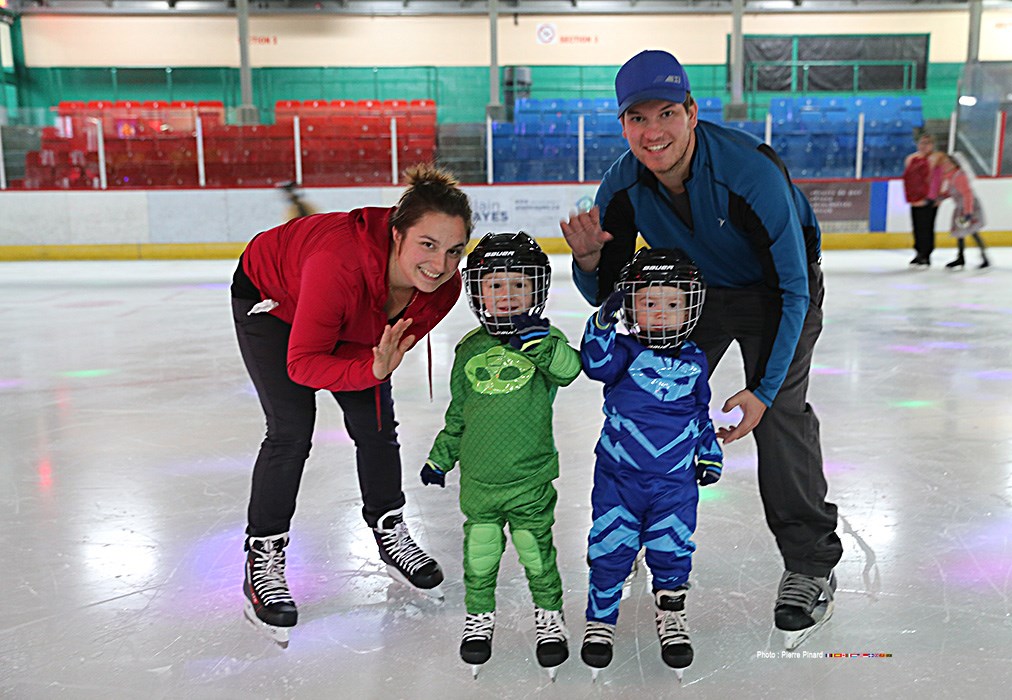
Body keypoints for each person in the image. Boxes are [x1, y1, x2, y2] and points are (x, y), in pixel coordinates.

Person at [559, 49, 841, 651]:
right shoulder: (623, 185)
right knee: (643, 397)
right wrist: (587, 263)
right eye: (638, 119)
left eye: (666, 113)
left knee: (781, 418)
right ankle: (630, 530)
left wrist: (764, 391)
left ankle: (812, 563)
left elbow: (794, 288)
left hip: (776, 294)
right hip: (695, 296)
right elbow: (611, 296)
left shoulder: (750, 171)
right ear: (623, 124)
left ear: (691, 111)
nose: (653, 132)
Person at [232, 163, 474, 647]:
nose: (439, 264)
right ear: (397, 234)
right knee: (290, 431)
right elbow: (303, 365)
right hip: (274, 303)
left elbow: (380, 351)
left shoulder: (444, 285)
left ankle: (389, 530)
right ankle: (263, 555)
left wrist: (372, 372)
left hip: (348, 310)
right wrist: (370, 371)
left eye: (453, 250)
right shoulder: (336, 264)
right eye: (427, 245)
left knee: (377, 424)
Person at [420, 232, 582, 680]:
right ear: (477, 292)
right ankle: (479, 616)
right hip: (479, 482)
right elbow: (459, 414)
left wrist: (541, 345)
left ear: (536, 289)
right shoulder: (469, 349)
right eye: (495, 285)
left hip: (529, 479)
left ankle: (549, 616)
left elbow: (571, 371)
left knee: (535, 552)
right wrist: (441, 457)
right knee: (481, 554)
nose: (507, 295)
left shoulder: (544, 341)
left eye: (518, 285)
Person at [578, 248, 723, 681]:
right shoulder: (621, 351)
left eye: (673, 304)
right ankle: (600, 621)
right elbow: (594, 363)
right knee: (610, 550)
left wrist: (709, 452)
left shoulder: (695, 360)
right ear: (632, 306)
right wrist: (602, 321)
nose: (661, 313)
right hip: (618, 481)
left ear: (690, 307)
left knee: (672, 549)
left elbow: (700, 412)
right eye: (649, 302)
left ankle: (671, 612)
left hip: (674, 485)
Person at [938, 155, 990, 270]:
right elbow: (951, 192)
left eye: (947, 163)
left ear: (954, 164)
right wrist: (941, 197)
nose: (944, 165)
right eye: (943, 163)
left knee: (973, 232)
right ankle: (960, 257)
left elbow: (967, 195)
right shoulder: (949, 176)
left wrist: (968, 213)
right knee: (960, 233)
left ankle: (984, 257)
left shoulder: (959, 176)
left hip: (969, 206)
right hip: (961, 207)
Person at [903, 133, 945, 267]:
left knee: (927, 227)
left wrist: (939, 196)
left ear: (932, 145)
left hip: (930, 198)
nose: (924, 146)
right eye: (922, 143)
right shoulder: (912, 158)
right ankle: (918, 251)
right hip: (915, 197)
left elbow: (939, 178)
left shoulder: (937, 158)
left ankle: (926, 254)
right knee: (917, 226)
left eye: (927, 143)